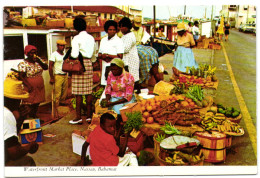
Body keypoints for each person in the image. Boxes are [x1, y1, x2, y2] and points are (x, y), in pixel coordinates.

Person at [4, 72, 39, 166]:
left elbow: (10, 138)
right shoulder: (6, 115)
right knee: (28, 161)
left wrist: (20, 119)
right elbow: (13, 152)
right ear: (15, 100)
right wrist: (28, 147)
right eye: (19, 100)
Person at [68, 17, 95, 124]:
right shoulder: (91, 38)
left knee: (78, 93)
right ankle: (89, 116)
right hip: (88, 63)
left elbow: (74, 54)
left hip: (78, 64)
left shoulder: (76, 39)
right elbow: (93, 54)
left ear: (75, 27)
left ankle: (78, 117)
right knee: (88, 92)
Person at [18, 45, 48, 119]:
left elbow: (46, 67)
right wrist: (28, 86)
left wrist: (39, 61)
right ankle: (29, 118)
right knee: (29, 103)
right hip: (29, 86)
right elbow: (21, 76)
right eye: (31, 53)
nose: (34, 54)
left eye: (35, 52)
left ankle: (34, 116)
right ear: (27, 54)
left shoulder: (38, 60)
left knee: (37, 102)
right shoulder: (23, 64)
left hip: (39, 86)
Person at [98, 20, 124, 86]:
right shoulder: (103, 40)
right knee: (105, 86)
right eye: (110, 30)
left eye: (114, 30)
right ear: (106, 30)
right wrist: (103, 56)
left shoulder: (119, 41)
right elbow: (99, 54)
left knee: (114, 87)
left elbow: (120, 57)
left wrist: (108, 56)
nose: (112, 31)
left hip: (115, 69)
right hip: (105, 66)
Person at [119, 17, 140, 93]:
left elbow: (125, 49)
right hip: (127, 60)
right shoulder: (125, 36)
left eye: (122, 27)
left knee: (133, 78)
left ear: (127, 27)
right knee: (129, 78)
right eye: (120, 27)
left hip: (131, 60)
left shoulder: (129, 36)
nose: (121, 29)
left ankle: (136, 93)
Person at [49, 40, 68, 116]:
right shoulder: (54, 54)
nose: (62, 47)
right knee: (57, 94)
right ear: (57, 46)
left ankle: (61, 112)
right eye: (60, 45)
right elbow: (50, 66)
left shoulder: (65, 54)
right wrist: (51, 77)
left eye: (63, 46)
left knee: (64, 93)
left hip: (65, 75)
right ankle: (55, 112)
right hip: (58, 75)